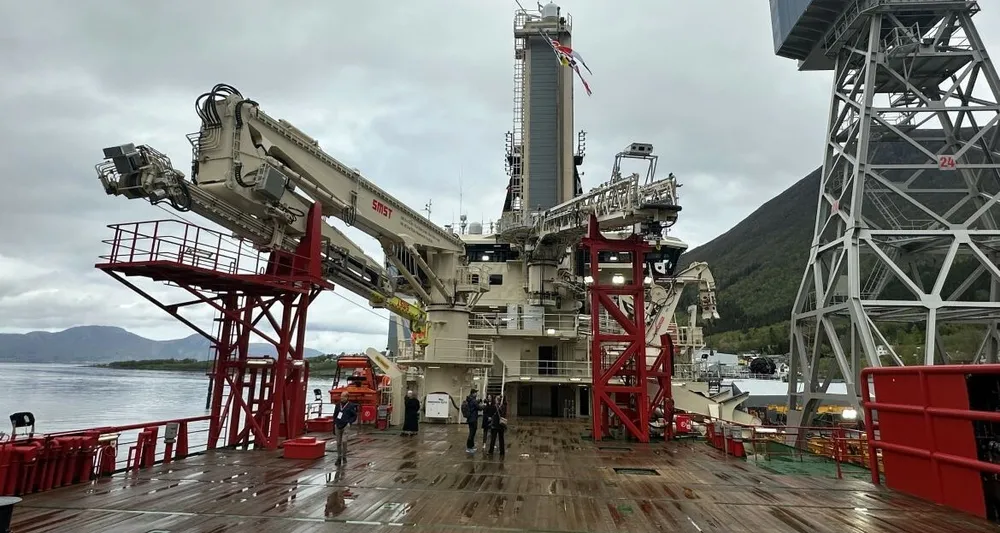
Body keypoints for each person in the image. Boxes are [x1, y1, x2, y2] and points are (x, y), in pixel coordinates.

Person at [332, 392, 358, 465]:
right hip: (338, 425)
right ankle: (339, 457)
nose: (341, 398)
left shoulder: (350, 405)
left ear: (347, 398)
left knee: (344, 441)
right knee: (338, 442)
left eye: (343, 397)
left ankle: (344, 456)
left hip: (346, 425)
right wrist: (334, 425)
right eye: (341, 396)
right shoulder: (338, 405)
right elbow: (335, 415)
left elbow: (354, 415)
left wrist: (350, 422)